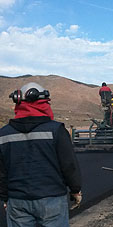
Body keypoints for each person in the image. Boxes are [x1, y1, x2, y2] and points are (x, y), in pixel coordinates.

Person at [0, 82, 82, 227]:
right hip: (52, 199)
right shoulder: (56, 130)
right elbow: (69, 165)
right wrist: (75, 190)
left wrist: (5, 197)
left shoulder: (3, 134)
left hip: (17, 200)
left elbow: (1, 171)